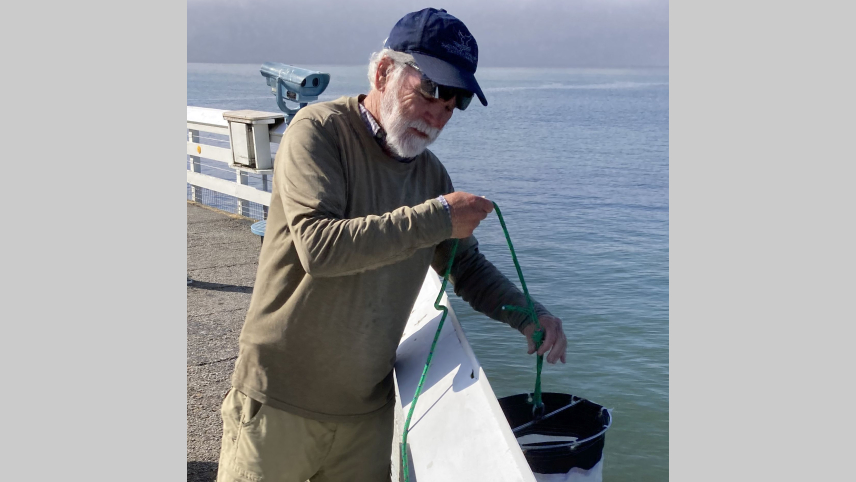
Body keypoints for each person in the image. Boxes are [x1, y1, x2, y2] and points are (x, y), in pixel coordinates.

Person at [216, 8, 567, 482]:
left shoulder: (431, 175)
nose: (439, 114)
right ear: (383, 72)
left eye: (454, 103)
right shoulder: (318, 133)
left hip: (366, 417)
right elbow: (320, 248)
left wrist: (529, 314)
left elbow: (466, 269)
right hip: (278, 403)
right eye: (432, 91)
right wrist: (440, 216)